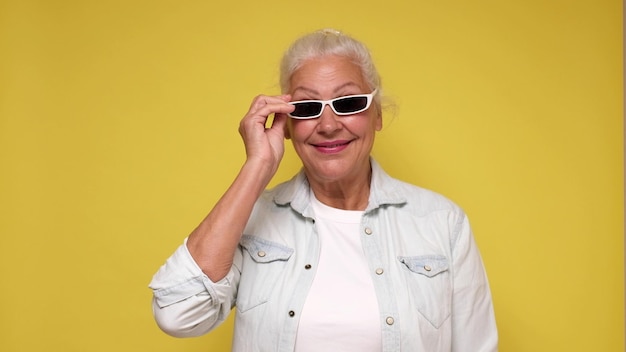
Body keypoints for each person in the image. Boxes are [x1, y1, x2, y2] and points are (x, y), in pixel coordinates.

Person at [149, 28, 498, 351]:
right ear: (286, 125)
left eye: (348, 103)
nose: (328, 125)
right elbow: (177, 312)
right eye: (307, 107)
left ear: (376, 114)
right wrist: (257, 167)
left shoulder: (442, 223)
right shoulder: (251, 221)